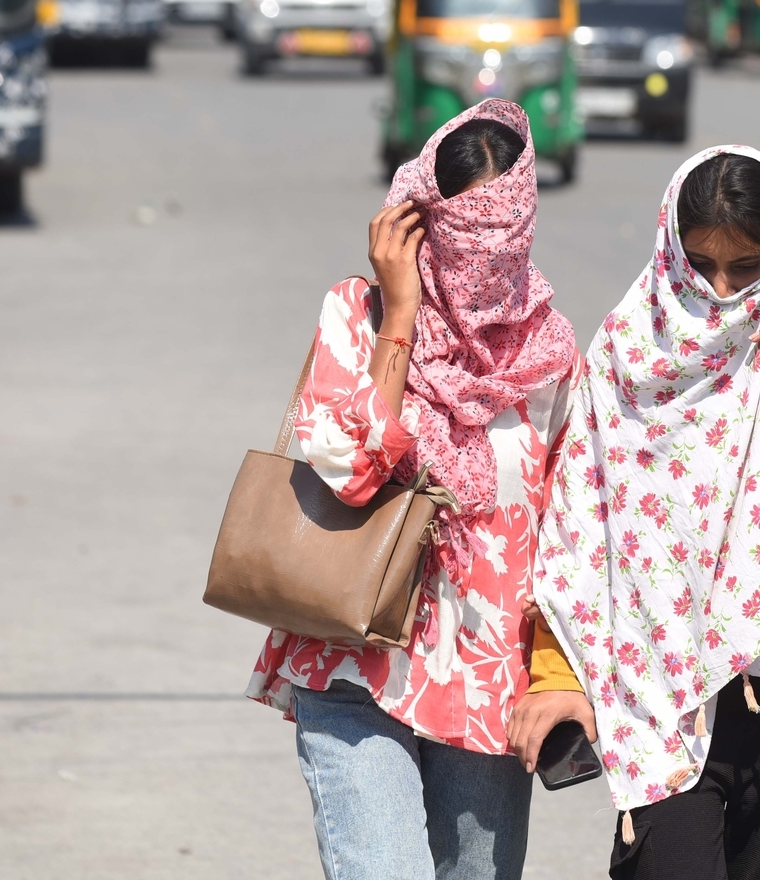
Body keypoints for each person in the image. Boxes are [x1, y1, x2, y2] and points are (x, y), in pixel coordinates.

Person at [519, 147, 760, 879]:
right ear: (671, 249)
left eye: (749, 267)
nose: (724, 290)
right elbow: (579, 532)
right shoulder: (627, 352)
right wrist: (554, 675)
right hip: (659, 692)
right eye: (701, 265)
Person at [243, 99, 591, 880]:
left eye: (499, 245)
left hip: (490, 688)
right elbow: (352, 467)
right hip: (353, 659)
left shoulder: (551, 361)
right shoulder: (356, 314)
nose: (478, 267)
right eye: (461, 239)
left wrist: (559, 679)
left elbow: (574, 539)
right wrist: (400, 312)